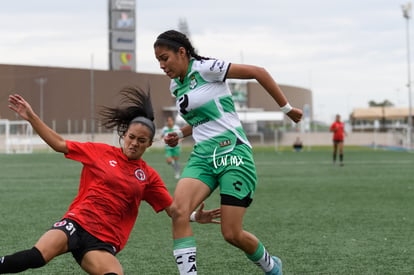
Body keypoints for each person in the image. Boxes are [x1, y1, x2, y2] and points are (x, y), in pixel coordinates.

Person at [3, 87, 220, 275]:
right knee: (36, 258)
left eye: (141, 141)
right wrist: (31, 116)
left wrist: (193, 216)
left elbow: (172, 210)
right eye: (131, 137)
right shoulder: (100, 152)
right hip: (76, 224)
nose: (134, 143)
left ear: (148, 144)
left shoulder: (149, 176)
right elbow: (59, 144)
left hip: (103, 242)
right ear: (124, 135)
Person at [153, 30, 303, 275]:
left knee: (231, 234)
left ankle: (272, 267)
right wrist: (179, 134)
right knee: (179, 211)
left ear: (182, 52)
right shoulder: (175, 85)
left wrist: (286, 108)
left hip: (233, 153)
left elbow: (258, 72)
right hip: (203, 156)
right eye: (158, 60)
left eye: (164, 58)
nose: (161, 65)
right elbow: (204, 120)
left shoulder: (207, 68)